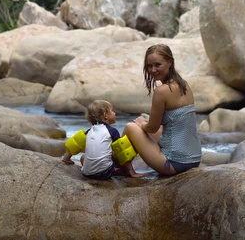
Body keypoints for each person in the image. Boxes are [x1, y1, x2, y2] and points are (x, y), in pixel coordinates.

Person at [122, 44, 202, 176]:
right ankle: (119, 163)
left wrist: (141, 123)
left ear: (170, 62)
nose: (153, 70)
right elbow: (169, 125)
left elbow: (152, 128)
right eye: (149, 66)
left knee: (131, 127)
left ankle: (117, 164)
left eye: (157, 65)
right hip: (194, 158)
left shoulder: (162, 91)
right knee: (151, 127)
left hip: (174, 163)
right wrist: (145, 123)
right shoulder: (184, 84)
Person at [62, 100, 143, 179]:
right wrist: (132, 172)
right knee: (119, 152)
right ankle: (120, 171)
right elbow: (123, 153)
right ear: (105, 115)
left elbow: (74, 144)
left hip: (87, 173)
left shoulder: (89, 132)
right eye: (112, 111)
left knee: (83, 157)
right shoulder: (112, 132)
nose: (115, 113)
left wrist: (66, 159)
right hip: (105, 173)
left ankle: (92, 169)